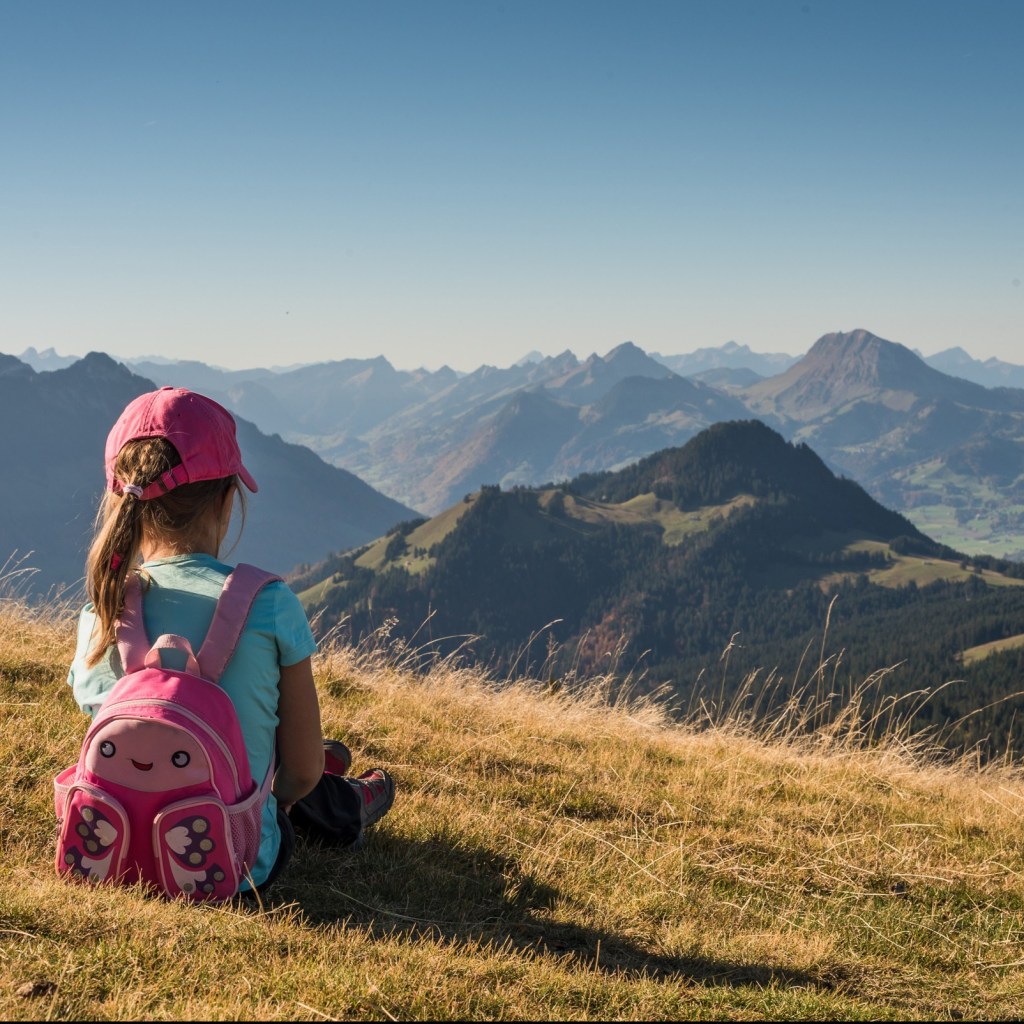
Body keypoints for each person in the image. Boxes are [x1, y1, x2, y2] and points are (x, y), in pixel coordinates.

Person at [66, 385, 395, 896]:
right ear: (226, 499)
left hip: (113, 852)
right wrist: (275, 798)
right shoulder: (268, 603)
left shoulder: (103, 611)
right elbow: (301, 775)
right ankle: (349, 802)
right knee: (289, 766)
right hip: (239, 864)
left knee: (257, 749)